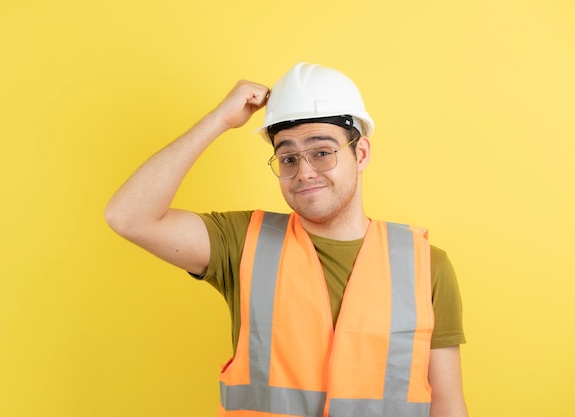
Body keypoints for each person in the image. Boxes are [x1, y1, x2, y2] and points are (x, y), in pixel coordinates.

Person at [105, 62, 468, 417]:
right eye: (288, 157)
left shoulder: (425, 266)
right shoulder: (242, 242)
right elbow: (128, 216)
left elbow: (448, 407)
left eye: (322, 152)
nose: (304, 172)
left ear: (360, 154)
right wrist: (219, 120)